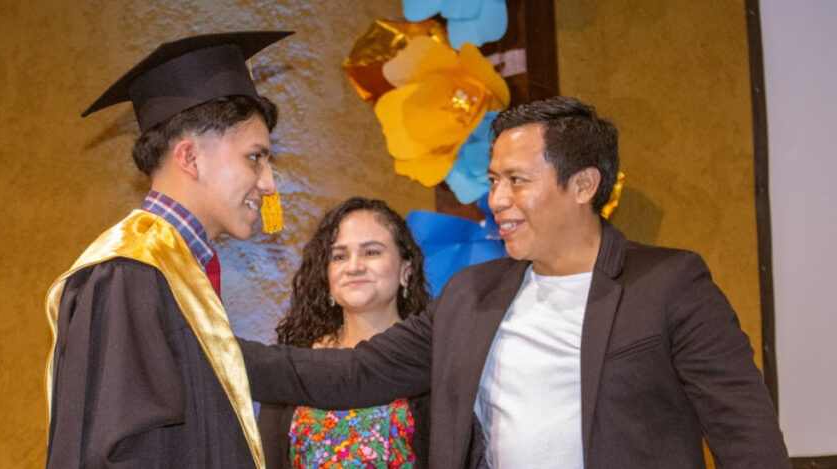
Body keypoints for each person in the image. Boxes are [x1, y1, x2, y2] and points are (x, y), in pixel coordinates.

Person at [240, 97, 790, 468]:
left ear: (582, 184)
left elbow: (747, 438)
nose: (497, 200)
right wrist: (207, 344)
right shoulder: (474, 295)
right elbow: (355, 372)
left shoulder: (668, 284)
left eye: (517, 181)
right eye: (494, 180)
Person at [44, 31, 292, 469]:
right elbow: (125, 454)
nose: (270, 183)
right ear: (190, 158)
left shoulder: (172, 270)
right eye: (255, 157)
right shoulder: (131, 273)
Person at [258, 197, 431, 468]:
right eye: (339, 256)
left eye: (371, 252)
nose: (353, 266)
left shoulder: (428, 359)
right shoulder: (295, 364)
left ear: (405, 272)